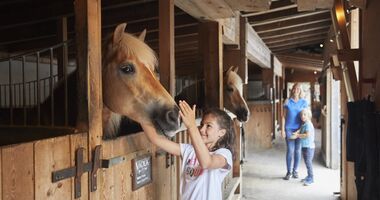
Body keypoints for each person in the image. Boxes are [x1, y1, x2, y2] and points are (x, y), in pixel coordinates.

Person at [140, 100, 234, 200]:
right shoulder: (189, 150)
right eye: (201, 124)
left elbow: (206, 162)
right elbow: (155, 138)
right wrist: (140, 110)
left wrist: (191, 126)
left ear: (221, 132)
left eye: (208, 126)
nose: (202, 129)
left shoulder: (224, 154)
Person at [281, 83, 308, 180]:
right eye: (295, 88)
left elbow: (307, 116)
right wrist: (283, 130)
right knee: (290, 150)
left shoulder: (304, 102)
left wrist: (305, 129)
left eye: (298, 89)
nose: (296, 90)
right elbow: (283, 116)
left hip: (300, 129)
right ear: (292, 90)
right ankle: (288, 172)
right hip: (289, 129)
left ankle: (295, 171)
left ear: (300, 90)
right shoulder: (287, 101)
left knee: (297, 151)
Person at [292, 108, 315, 186]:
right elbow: (300, 130)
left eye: (305, 114)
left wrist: (297, 135)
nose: (302, 116)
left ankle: (311, 178)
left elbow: (307, 135)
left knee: (308, 162)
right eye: (301, 115)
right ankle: (309, 176)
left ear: (309, 116)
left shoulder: (308, 124)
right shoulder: (304, 124)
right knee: (307, 162)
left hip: (309, 147)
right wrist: (295, 133)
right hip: (305, 146)